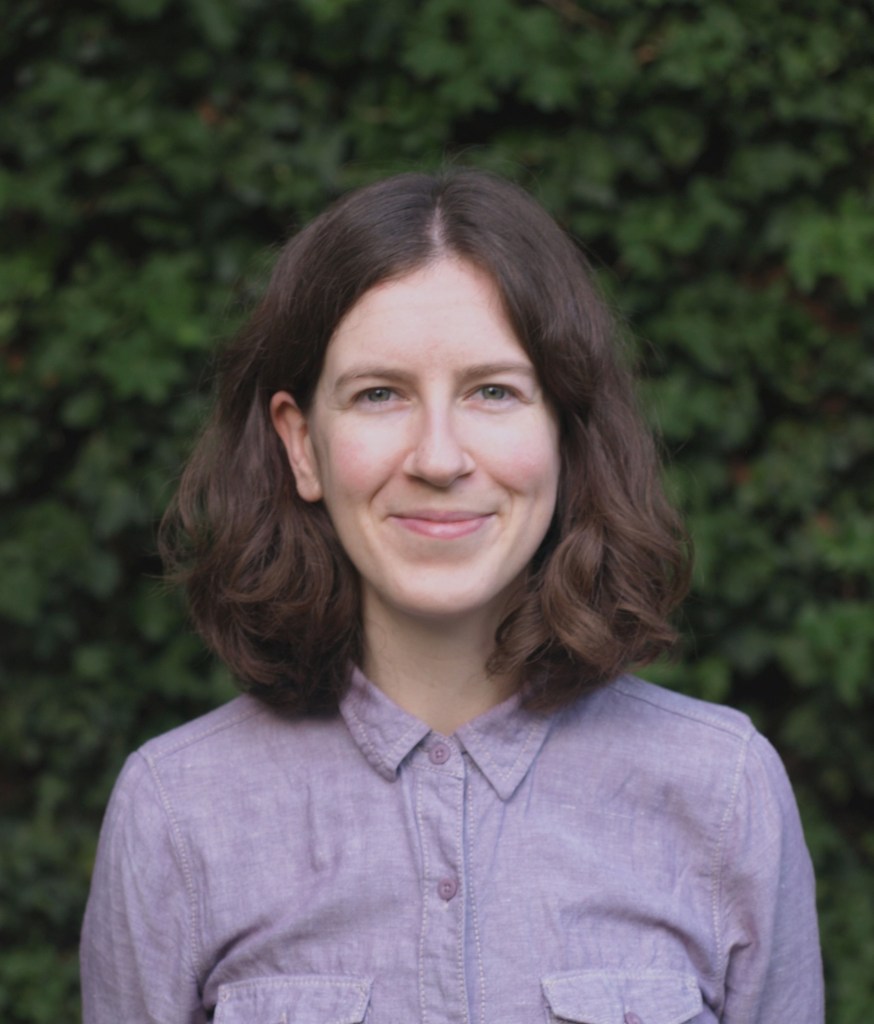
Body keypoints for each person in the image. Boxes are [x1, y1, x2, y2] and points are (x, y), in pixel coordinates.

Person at [80, 169, 823, 1023]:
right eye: (380, 394)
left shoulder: (725, 793)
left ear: (565, 432)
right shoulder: (176, 813)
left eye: (493, 391)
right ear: (302, 445)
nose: (439, 458)